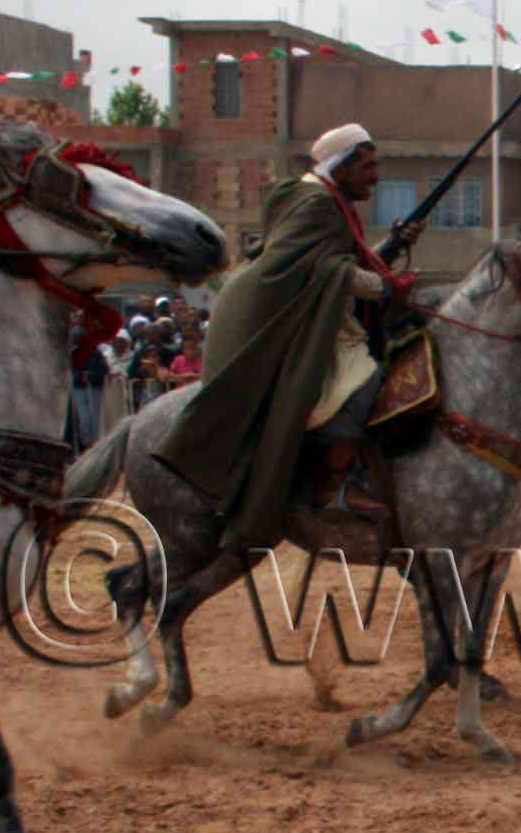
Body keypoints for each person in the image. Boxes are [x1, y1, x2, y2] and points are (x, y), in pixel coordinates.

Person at [151, 123, 423, 544]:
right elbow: (323, 269)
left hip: (322, 313)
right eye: (368, 166)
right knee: (361, 383)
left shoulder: (328, 200)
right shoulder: (316, 204)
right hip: (293, 319)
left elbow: (343, 259)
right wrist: (386, 287)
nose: (375, 176)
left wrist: (394, 244)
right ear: (345, 165)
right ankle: (336, 486)